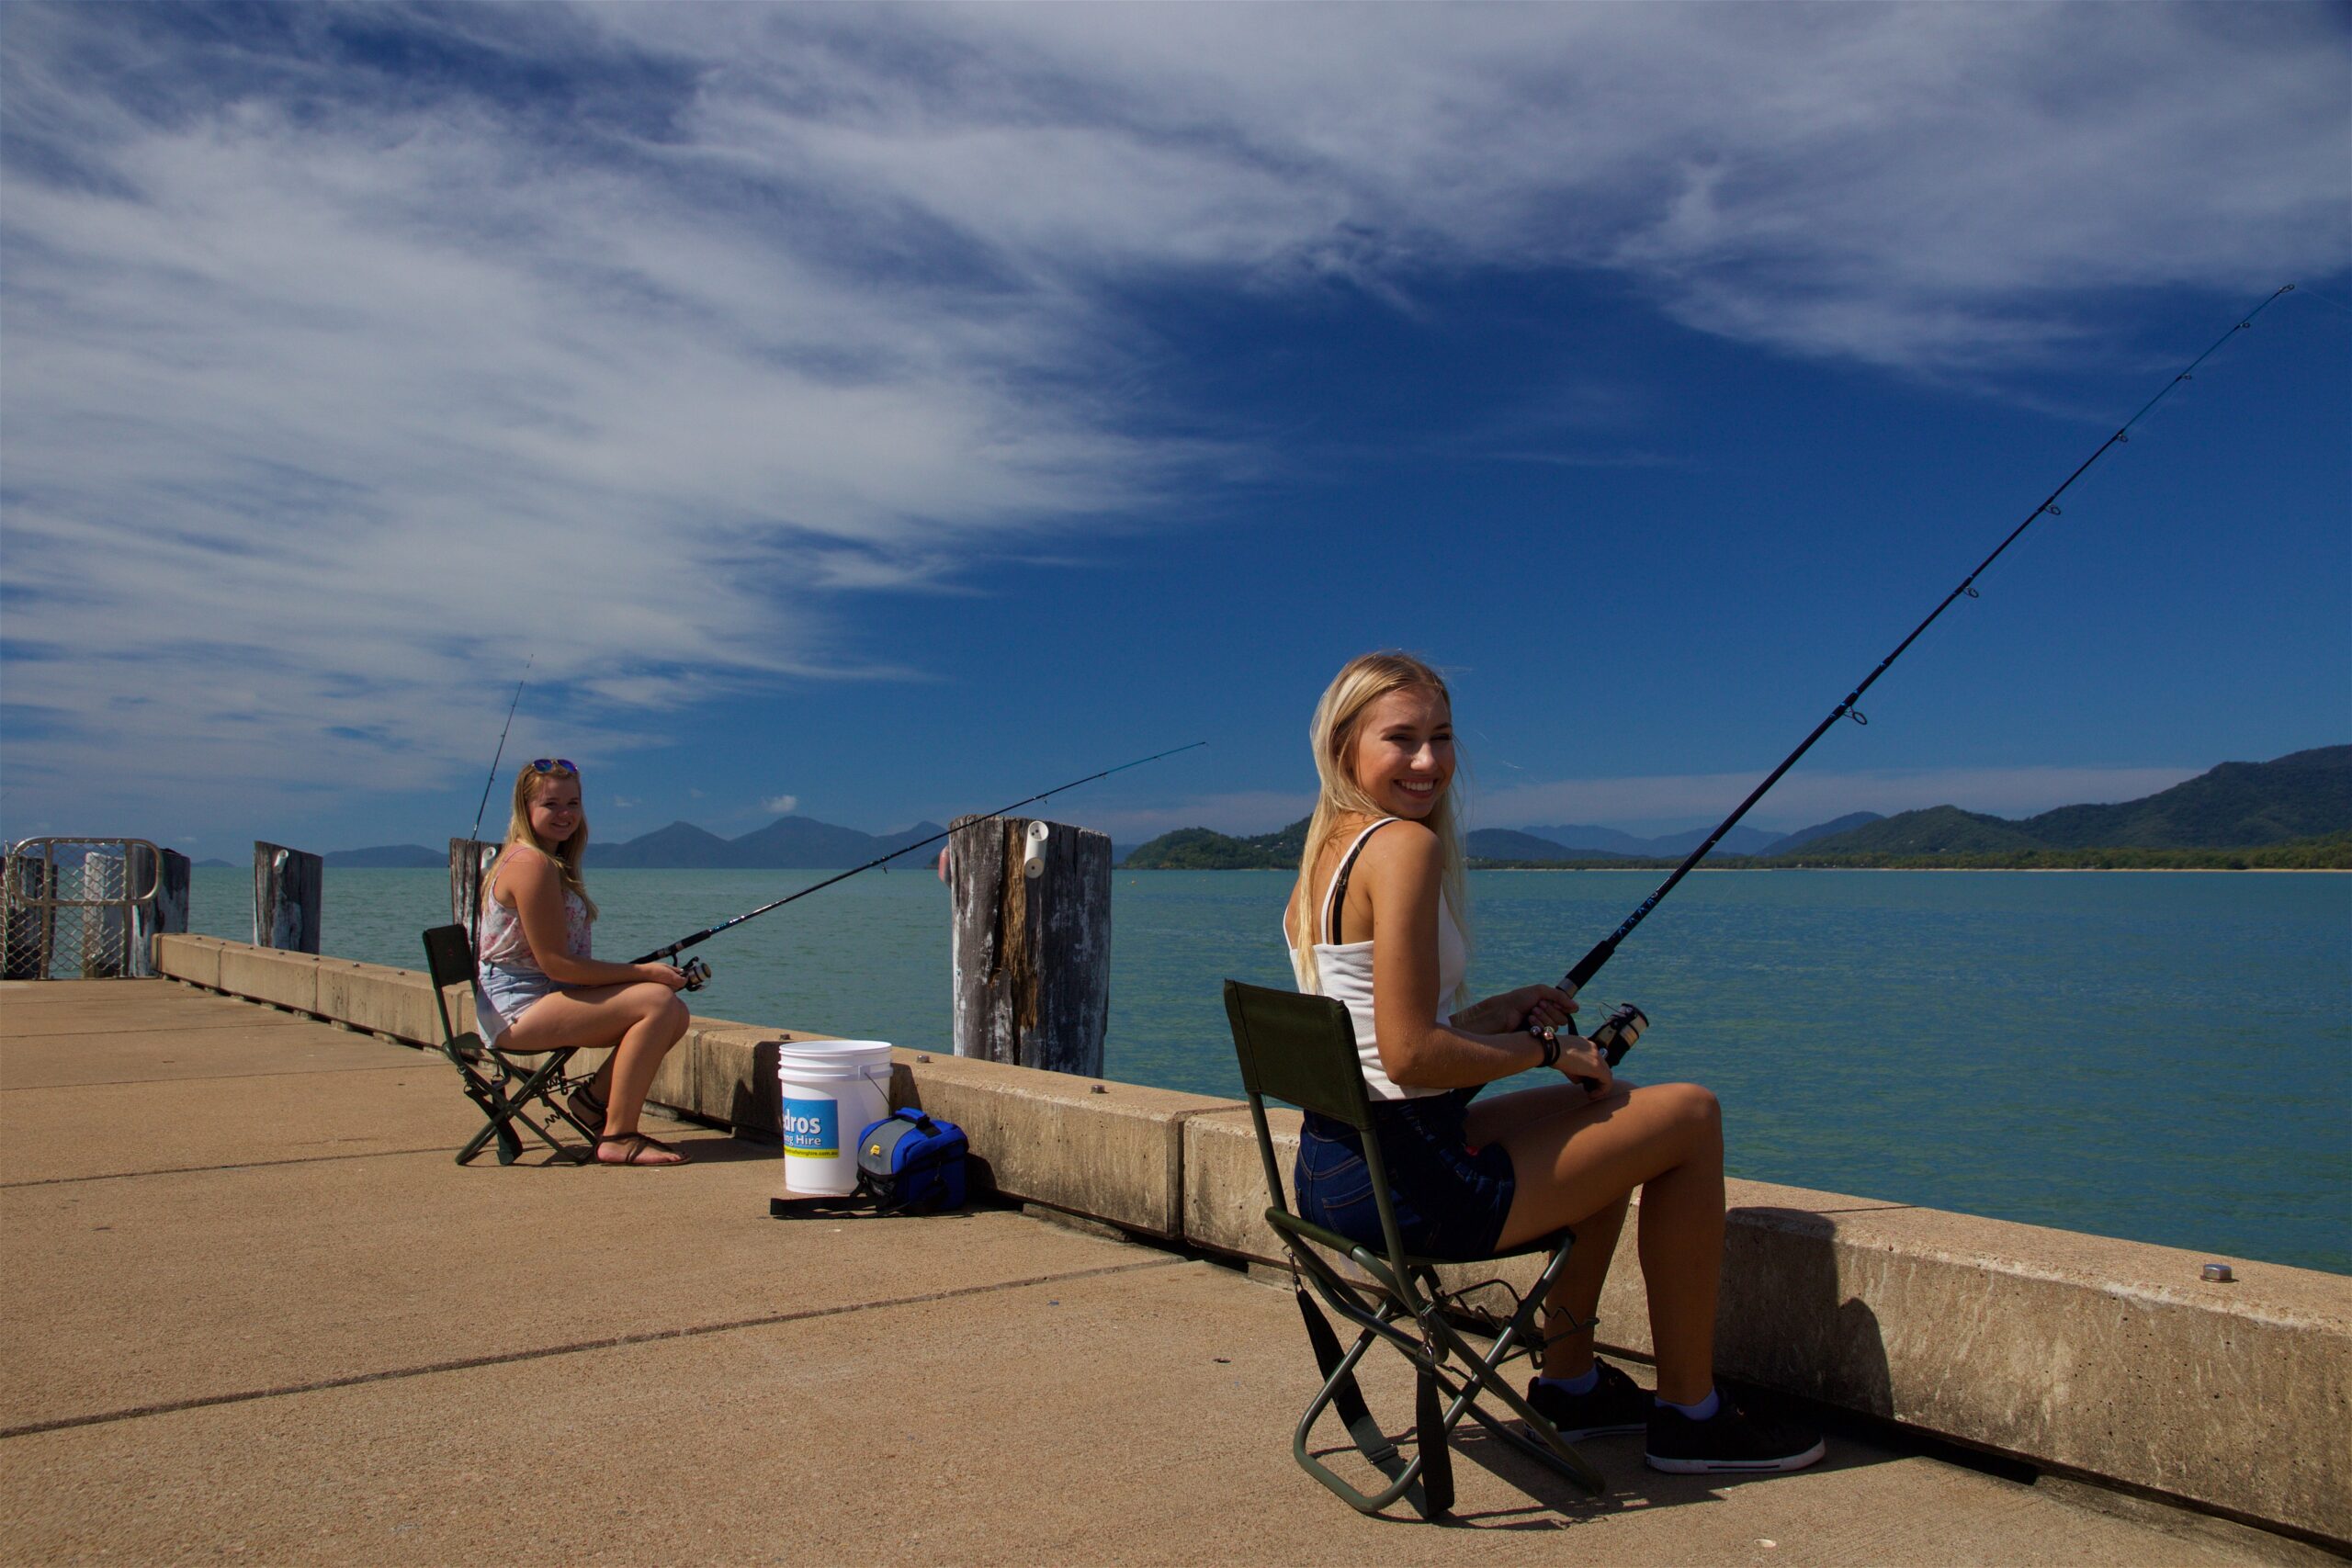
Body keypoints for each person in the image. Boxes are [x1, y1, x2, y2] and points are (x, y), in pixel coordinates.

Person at [1284, 651, 1823, 1474]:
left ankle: (1571, 1387)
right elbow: (1409, 1052)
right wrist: (1545, 1048)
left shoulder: (1326, 852)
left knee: (1604, 1109)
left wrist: (1492, 1016)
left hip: (1332, 1166)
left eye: (1442, 736)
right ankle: (1691, 1414)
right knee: (1692, 1114)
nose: (1429, 761)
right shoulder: (1403, 850)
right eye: (1402, 739)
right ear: (1345, 745)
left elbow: (1377, 1038)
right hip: (1409, 1183)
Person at [475, 758, 693, 1167]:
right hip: (516, 1010)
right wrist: (644, 973)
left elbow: (562, 968)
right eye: (551, 804)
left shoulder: (545, 861)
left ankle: (592, 1105)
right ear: (526, 809)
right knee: (657, 1002)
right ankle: (618, 1136)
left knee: (674, 1012)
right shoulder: (531, 865)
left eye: (573, 803)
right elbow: (559, 965)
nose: (565, 815)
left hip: (541, 995)